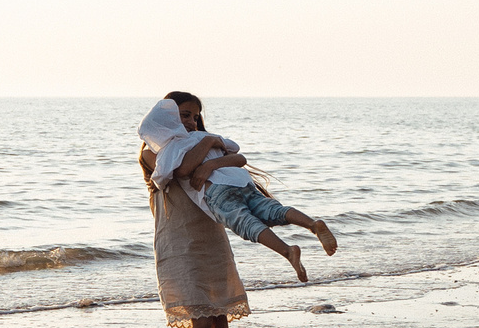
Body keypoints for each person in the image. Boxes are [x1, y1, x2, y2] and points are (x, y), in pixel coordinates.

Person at [140, 93, 339, 284]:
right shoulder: (205, 137)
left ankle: (287, 251)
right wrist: (211, 144)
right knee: (272, 210)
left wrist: (203, 165)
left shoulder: (171, 147)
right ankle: (312, 224)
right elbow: (237, 153)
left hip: (217, 192)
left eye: (195, 117)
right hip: (241, 182)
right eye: (185, 116)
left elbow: (176, 172)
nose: (192, 121)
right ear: (167, 118)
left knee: (246, 223)